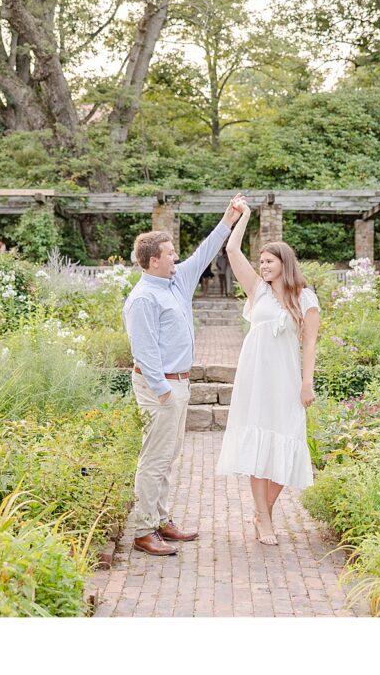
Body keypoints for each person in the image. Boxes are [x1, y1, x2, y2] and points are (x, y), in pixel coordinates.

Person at [122, 196, 245, 555]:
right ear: (153, 260)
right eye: (171, 252)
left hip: (179, 384)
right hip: (158, 386)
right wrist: (163, 392)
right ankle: (144, 530)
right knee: (155, 457)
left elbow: (206, 252)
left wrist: (228, 219)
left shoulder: (176, 281)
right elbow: (143, 350)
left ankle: (160, 520)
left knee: (169, 454)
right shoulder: (143, 298)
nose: (177, 256)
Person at [215, 195, 320, 546]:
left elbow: (310, 345)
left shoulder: (305, 297)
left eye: (269, 261)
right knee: (258, 447)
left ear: (284, 263)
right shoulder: (257, 291)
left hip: (287, 380)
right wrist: (243, 216)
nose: (263, 266)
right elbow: (231, 251)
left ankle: (264, 511)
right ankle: (263, 518)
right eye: (260, 261)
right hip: (255, 379)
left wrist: (307, 383)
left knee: (288, 444)